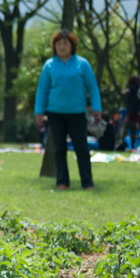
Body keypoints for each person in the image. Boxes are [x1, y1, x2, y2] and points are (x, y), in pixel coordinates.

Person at [34, 30, 102, 190]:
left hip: (77, 113)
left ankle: (87, 183)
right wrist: (39, 111)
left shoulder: (82, 64)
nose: (62, 46)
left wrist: (96, 108)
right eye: (59, 43)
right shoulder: (49, 65)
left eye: (65, 43)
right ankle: (62, 182)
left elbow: (92, 88)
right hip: (55, 113)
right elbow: (42, 90)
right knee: (59, 149)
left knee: (82, 149)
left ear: (72, 46)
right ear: (54, 47)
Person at [124, 75, 140, 149]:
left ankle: (132, 147)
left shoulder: (130, 89)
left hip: (132, 111)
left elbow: (128, 99)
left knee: (132, 130)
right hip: (139, 111)